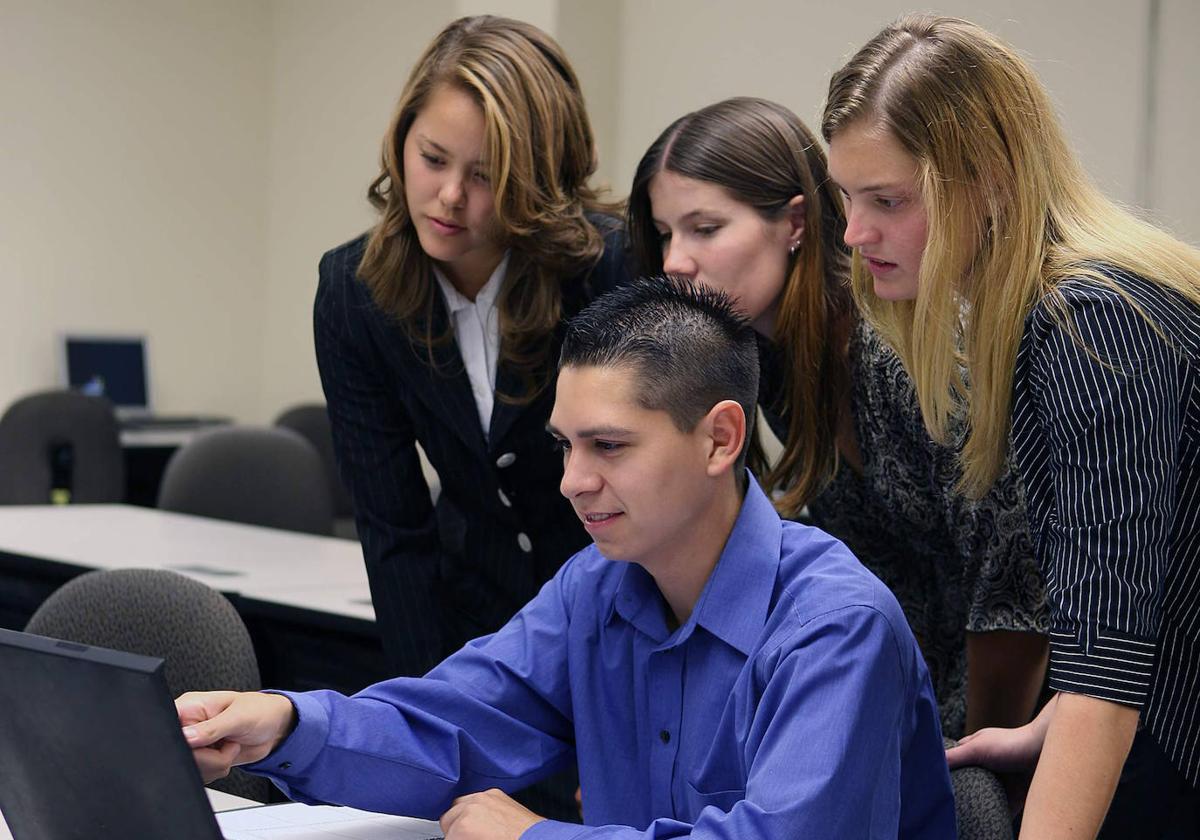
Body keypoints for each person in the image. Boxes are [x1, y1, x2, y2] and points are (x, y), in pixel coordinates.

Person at [177, 278, 956, 839]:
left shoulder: (835, 629)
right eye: (567, 446)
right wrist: (283, 723)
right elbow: (449, 727)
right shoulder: (600, 585)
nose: (573, 482)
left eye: (608, 447)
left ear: (721, 438)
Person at [821, 14, 1200, 837]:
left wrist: (1072, 720)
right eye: (847, 199)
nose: (854, 233)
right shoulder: (1049, 315)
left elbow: (1109, 664)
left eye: (886, 200)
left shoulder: (1092, 326)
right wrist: (1047, 726)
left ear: (987, 179)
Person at [626, 96, 1048, 740]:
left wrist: (972, 767)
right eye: (664, 233)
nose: (675, 261)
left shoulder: (888, 343)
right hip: (926, 701)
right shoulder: (772, 360)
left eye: (704, 229)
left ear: (794, 223)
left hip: (1041, 712)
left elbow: (1012, 585)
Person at [313, 15, 630, 683]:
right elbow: (393, 531)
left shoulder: (611, 270)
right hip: (471, 629)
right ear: (401, 139)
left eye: (485, 176)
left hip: (621, 628)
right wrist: (430, 724)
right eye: (432, 159)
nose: (450, 197)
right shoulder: (354, 294)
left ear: (537, 180)